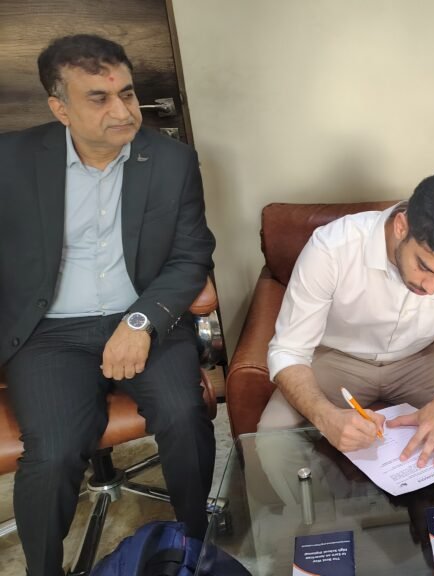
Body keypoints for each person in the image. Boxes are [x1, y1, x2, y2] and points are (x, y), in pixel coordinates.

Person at [0, 35, 216, 575]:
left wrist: (141, 321)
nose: (122, 111)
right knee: (53, 452)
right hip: (49, 333)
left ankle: (195, 549)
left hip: (143, 316)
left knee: (184, 415)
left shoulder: (172, 161)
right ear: (60, 108)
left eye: (127, 93)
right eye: (98, 98)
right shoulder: (10, 161)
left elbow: (191, 256)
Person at [260, 174, 434, 468]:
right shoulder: (332, 248)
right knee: (272, 431)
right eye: (424, 267)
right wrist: (326, 417)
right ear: (401, 226)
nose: (431, 288)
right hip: (338, 360)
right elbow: (289, 350)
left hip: (421, 358)